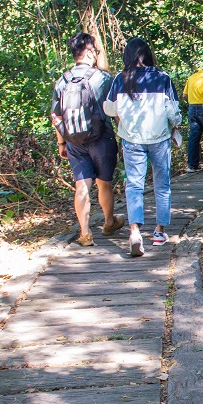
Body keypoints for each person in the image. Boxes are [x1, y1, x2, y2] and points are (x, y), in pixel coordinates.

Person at [103, 38, 181, 257]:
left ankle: (135, 232)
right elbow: (172, 111)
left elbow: (109, 108)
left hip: (132, 139)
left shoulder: (120, 79)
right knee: (162, 185)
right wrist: (176, 125)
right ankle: (159, 232)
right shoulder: (162, 77)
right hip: (159, 138)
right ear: (148, 55)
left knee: (134, 186)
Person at [49, 32, 125, 246]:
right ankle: (109, 222)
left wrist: (61, 142)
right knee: (104, 183)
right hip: (101, 138)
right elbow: (116, 110)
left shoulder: (62, 80)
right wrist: (123, 137)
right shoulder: (102, 78)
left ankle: (85, 233)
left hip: (73, 140)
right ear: (90, 51)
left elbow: (56, 115)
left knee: (81, 185)